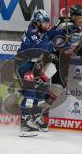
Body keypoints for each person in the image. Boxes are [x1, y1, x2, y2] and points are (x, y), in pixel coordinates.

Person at [16, 9, 65, 137]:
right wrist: (54, 45)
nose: (46, 25)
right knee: (31, 90)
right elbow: (42, 47)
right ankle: (25, 124)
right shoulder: (32, 32)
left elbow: (51, 33)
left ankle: (36, 117)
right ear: (38, 22)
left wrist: (64, 31)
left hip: (33, 64)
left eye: (47, 23)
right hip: (24, 64)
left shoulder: (40, 30)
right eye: (44, 23)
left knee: (41, 90)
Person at [52, 4, 82, 86]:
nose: (81, 20)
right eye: (79, 17)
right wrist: (62, 34)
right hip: (54, 55)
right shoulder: (62, 22)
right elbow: (50, 36)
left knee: (60, 85)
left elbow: (74, 42)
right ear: (73, 16)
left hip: (65, 58)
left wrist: (78, 49)